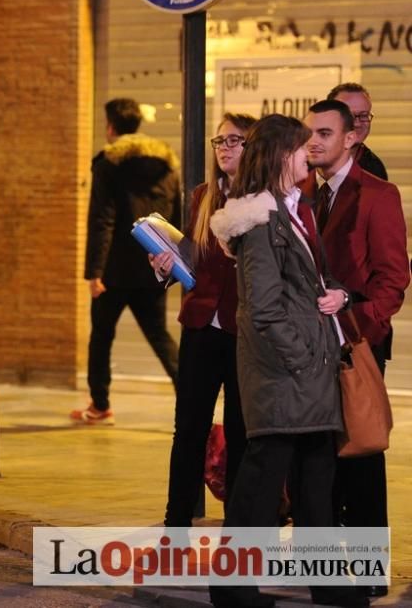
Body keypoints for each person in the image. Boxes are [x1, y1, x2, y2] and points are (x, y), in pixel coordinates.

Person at [208, 114, 365, 608]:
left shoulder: (292, 208)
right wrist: (301, 357)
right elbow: (262, 307)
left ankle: (329, 583)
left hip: (306, 374)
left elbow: (301, 288)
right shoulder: (258, 220)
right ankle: (232, 589)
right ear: (281, 155)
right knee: (258, 485)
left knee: (316, 480)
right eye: (301, 147)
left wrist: (333, 293)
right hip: (285, 373)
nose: (308, 154)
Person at [304, 99, 409, 599]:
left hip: (357, 345)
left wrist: (360, 325)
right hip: (307, 350)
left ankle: (368, 570)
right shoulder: (305, 192)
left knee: (361, 453)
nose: (314, 142)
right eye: (310, 134)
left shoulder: (377, 193)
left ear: (351, 139)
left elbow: (393, 277)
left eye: (325, 133)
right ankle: (326, 568)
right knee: (322, 459)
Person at [152, 113, 255, 527]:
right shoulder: (202, 196)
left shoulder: (264, 200)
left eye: (235, 140)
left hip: (243, 330)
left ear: (255, 148)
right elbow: (193, 258)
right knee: (189, 429)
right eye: (220, 140)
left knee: (240, 432)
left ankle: (238, 527)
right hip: (200, 325)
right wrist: (164, 265)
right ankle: (175, 524)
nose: (225, 147)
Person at [75, 98, 180, 425]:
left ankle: (100, 405)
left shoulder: (108, 163)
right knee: (160, 336)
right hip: (154, 266)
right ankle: (190, 396)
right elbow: (175, 215)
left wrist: (94, 272)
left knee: (102, 336)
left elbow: (102, 219)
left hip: (115, 270)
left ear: (110, 127)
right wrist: (170, 261)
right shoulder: (166, 165)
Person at [327, 82, 387, 180]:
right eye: (349, 116)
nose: (357, 124)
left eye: (363, 115)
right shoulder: (308, 161)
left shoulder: (374, 168)